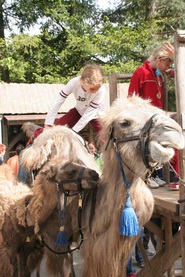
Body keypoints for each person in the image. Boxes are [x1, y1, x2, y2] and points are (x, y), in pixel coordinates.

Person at [128, 41, 178, 255]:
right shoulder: (141, 72)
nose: (168, 67)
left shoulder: (161, 74)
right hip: (145, 120)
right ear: (159, 59)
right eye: (167, 63)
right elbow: (131, 97)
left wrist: (176, 59)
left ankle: (166, 177)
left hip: (159, 119)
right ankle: (151, 175)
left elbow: (179, 75)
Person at [34, 63, 106, 140]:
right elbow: (58, 101)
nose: (95, 92)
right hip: (78, 111)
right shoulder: (74, 82)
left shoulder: (101, 91)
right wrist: (48, 123)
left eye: (97, 88)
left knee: (107, 140)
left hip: (97, 115)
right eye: (92, 89)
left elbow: (88, 114)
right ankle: (31, 144)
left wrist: (73, 131)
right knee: (53, 130)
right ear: (84, 82)